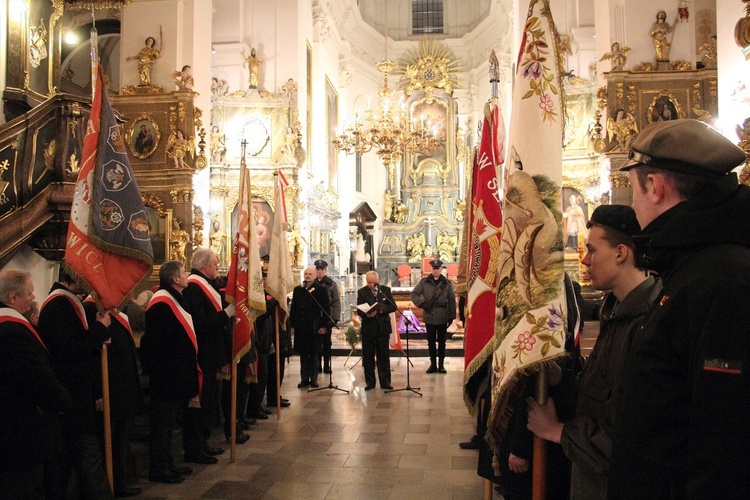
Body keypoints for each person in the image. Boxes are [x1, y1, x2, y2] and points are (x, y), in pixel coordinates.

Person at [609, 119, 749, 499]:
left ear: (654, 187)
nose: (632, 201)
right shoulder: (693, 264)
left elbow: (723, 438)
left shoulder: (722, 278)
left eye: (632, 188)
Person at [526, 205, 662, 499]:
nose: (584, 260)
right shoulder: (616, 309)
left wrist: (556, 431)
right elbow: (599, 393)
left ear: (621, 253)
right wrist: (560, 378)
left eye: (591, 249)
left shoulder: (649, 320)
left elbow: (632, 435)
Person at [37, 272, 113, 499]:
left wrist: (98, 336)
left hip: (78, 393)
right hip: (72, 394)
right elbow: (69, 349)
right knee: (86, 455)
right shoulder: (58, 305)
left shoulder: (67, 302)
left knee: (80, 455)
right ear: (75, 276)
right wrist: (99, 329)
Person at [0, 270, 72, 499]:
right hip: (21, 433)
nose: (33, 297)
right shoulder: (13, 332)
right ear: (12, 298)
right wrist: (63, 400)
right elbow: (37, 379)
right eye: (29, 293)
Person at [140, 261, 204, 484]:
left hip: (175, 374)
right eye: (184, 273)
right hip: (166, 376)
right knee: (161, 425)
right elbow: (157, 343)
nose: (187, 275)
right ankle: (158, 467)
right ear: (175, 279)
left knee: (168, 424)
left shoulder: (176, 298)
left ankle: (168, 463)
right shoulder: (161, 303)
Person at [82, 295, 145, 498]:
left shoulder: (115, 311)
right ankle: (115, 482)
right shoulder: (92, 310)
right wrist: (98, 392)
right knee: (113, 438)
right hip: (110, 386)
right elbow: (91, 356)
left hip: (123, 384)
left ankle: (121, 479)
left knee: (122, 436)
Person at [182, 249, 235, 462]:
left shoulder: (205, 286)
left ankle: (203, 443)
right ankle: (195, 447)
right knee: (199, 404)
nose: (217, 267)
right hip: (202, 355)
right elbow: (200, 324)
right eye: (215, 263)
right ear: (205, 266)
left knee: (207, 403)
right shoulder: (194, 288)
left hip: (211, 355)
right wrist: (225, 314)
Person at [411, 259, 456, 374]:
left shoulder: (447, 283)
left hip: (442, 315)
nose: (436, 270)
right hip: (429, 315)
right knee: (431, 341)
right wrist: (421, 304)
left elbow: (451, 300)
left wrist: (451, 316)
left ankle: (441, 364)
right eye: (434, 268)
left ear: (441, 269)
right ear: (431, 269)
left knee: (442, 341)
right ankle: (433, 364)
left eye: (438, 268)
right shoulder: (424, 282)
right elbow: (414, 294)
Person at [289, 267, 331, 388]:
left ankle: (313, 379)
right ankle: (304, 379)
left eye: (310, 274)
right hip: (302, 326)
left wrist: (324, 326)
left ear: (314, 276)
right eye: (306, 274)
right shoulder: (298, 290)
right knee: (303, 353)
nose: (307, 276)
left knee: (314, 353)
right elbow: (294, 308)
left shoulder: (321, 290)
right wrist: (293, 324)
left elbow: (325, 309)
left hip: (315, 326)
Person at [356, 271, 397, 390]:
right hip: (368, 328)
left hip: (382, 328)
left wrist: (380, 310)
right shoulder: (362, 292)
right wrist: (367, 314)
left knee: (383, 356)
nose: (371, 285)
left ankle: (385, 382)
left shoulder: (385, 290)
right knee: (368, 356)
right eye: (369, 282)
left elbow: (393, 306)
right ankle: (370, 382)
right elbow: (359, 310)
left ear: (378, 281)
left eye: (373, 282)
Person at [314, 260, 340, 374]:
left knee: (326, 343)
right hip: (315, 318)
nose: (319, 272)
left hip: (327, 317)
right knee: (316, 343)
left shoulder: (331, 284)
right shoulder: (312, 283)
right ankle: (318, 365)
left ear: (325, 271)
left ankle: (327, 365)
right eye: (318, 270)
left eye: (322, 270)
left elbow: (336, 302)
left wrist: (333, 319)